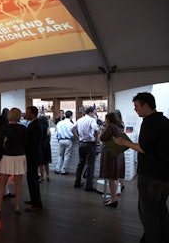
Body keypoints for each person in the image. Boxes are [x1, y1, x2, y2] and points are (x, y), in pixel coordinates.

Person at [113, 92, 169, 242]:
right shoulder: (164, 121)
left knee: (148, 212)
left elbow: (146, 148)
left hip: (151, 174)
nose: (135, 109)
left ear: (146, 105)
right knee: (161, 209)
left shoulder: (149, 122)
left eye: (137, 106)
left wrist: (125, 143)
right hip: (164, 174)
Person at [0, 108, 27, 215]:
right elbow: (26, 143)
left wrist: (1, 153)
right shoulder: (23, 128)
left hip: (7, 155)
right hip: (20, 155)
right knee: (18, 184)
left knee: (2, 184)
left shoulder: (5, 127)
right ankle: (17, 207)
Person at [99, 111, 126, 208]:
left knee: (111, 177)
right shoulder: (120, 126)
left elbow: (102, 138)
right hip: (118, 153)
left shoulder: (110, 126)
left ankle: (113, 199)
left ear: (109, 119)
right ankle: (113, 197)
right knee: (115, 176)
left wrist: (102, 130)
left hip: (111, 154)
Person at [71, 106, 100, 191]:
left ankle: (77, 182)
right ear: (91, 112)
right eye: (94, 112)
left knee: (80, 163)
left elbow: (72, 129)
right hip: (90, 144)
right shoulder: (91, 120)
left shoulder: (79, 120)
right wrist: (96, 140)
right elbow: (96, 130)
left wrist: (78, 137)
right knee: (90, 165)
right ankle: (89, 186)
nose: (94, 114)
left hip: (81, 143)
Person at [24, 106, 43, 212]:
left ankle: (37, 203)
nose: (26, 115)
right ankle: (33, 199)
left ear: (32, 114)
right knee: (31, 179)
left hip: (32, 156)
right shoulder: (34, 124)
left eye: (27, 112)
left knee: (33, 179)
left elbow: (32, 142)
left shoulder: (35, 126)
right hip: (33, 155)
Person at [54, 110, 74, 175]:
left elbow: (56, 132)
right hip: (68, 140)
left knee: (60, 155)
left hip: (60, 140)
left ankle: (57, 169)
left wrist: (58, 138)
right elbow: (72, 134)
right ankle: (63, 170)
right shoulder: (71, 124)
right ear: (71, 116)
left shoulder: (60, 123)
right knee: (66, 156)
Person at [38, 112, 52, 183]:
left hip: (40, 146)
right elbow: (50, 139)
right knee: (46, 162)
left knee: (41, 163)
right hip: (47, 146)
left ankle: (41, 177)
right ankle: (48, 175)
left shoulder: (38, 130)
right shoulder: (48, 130)